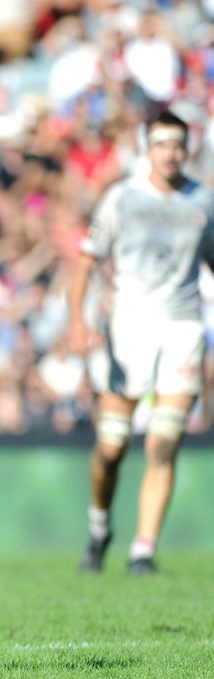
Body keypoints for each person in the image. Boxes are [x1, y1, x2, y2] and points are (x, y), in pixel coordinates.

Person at [68, 109, 214, 575]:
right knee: (112, 447)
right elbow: (86, 261)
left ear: (188, 148)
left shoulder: (204, 201)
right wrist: (78, 321)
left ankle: (143, 551)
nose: (170, 153)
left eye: (178, 144)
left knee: (164, 441)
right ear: (146, 148)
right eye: (161, 143)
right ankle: (99, 527)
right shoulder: (121, 199)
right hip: (128, 330)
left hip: (183, 330)